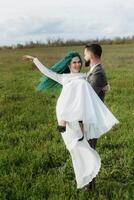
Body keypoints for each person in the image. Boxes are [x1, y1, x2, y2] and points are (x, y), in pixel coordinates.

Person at [22, 51, 119, 189]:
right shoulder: (63, 77)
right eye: (74, 62)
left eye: (79, 61)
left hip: (79, 114)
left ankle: (86, 175)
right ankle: (64, 120)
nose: (78, 64)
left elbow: (94, 86)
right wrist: (35, 60)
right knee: (77, 147)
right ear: (69, 64)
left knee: (82, 86)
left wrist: (106, 87)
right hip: (66, 111)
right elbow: (48, 72)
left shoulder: (84, 76)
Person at [84, 43, 110, 189]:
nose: (84, 57)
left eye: (85, 54)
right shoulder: (94, 71)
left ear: (91, 55)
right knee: (87, 149)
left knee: (89, 150)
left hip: (92, 119)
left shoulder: (98, 73)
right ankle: (87, 182)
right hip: (89, 116)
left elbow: (88, 96)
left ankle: (90, 185)